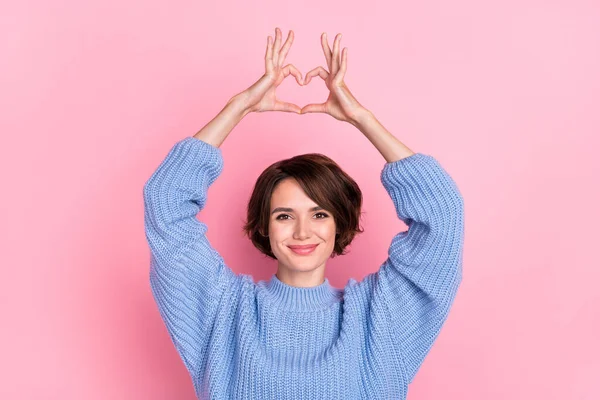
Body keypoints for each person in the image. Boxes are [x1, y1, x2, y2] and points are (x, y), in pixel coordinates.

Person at [143, 27, 464, 399]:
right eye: (284, 215)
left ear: (340, 223)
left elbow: (443, 215)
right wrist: (239, 108)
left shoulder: (381, 317)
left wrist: (362, 118)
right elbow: (165, 199)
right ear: (264, 226)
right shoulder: (222, 310)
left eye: (319, 214)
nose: (301, 232)